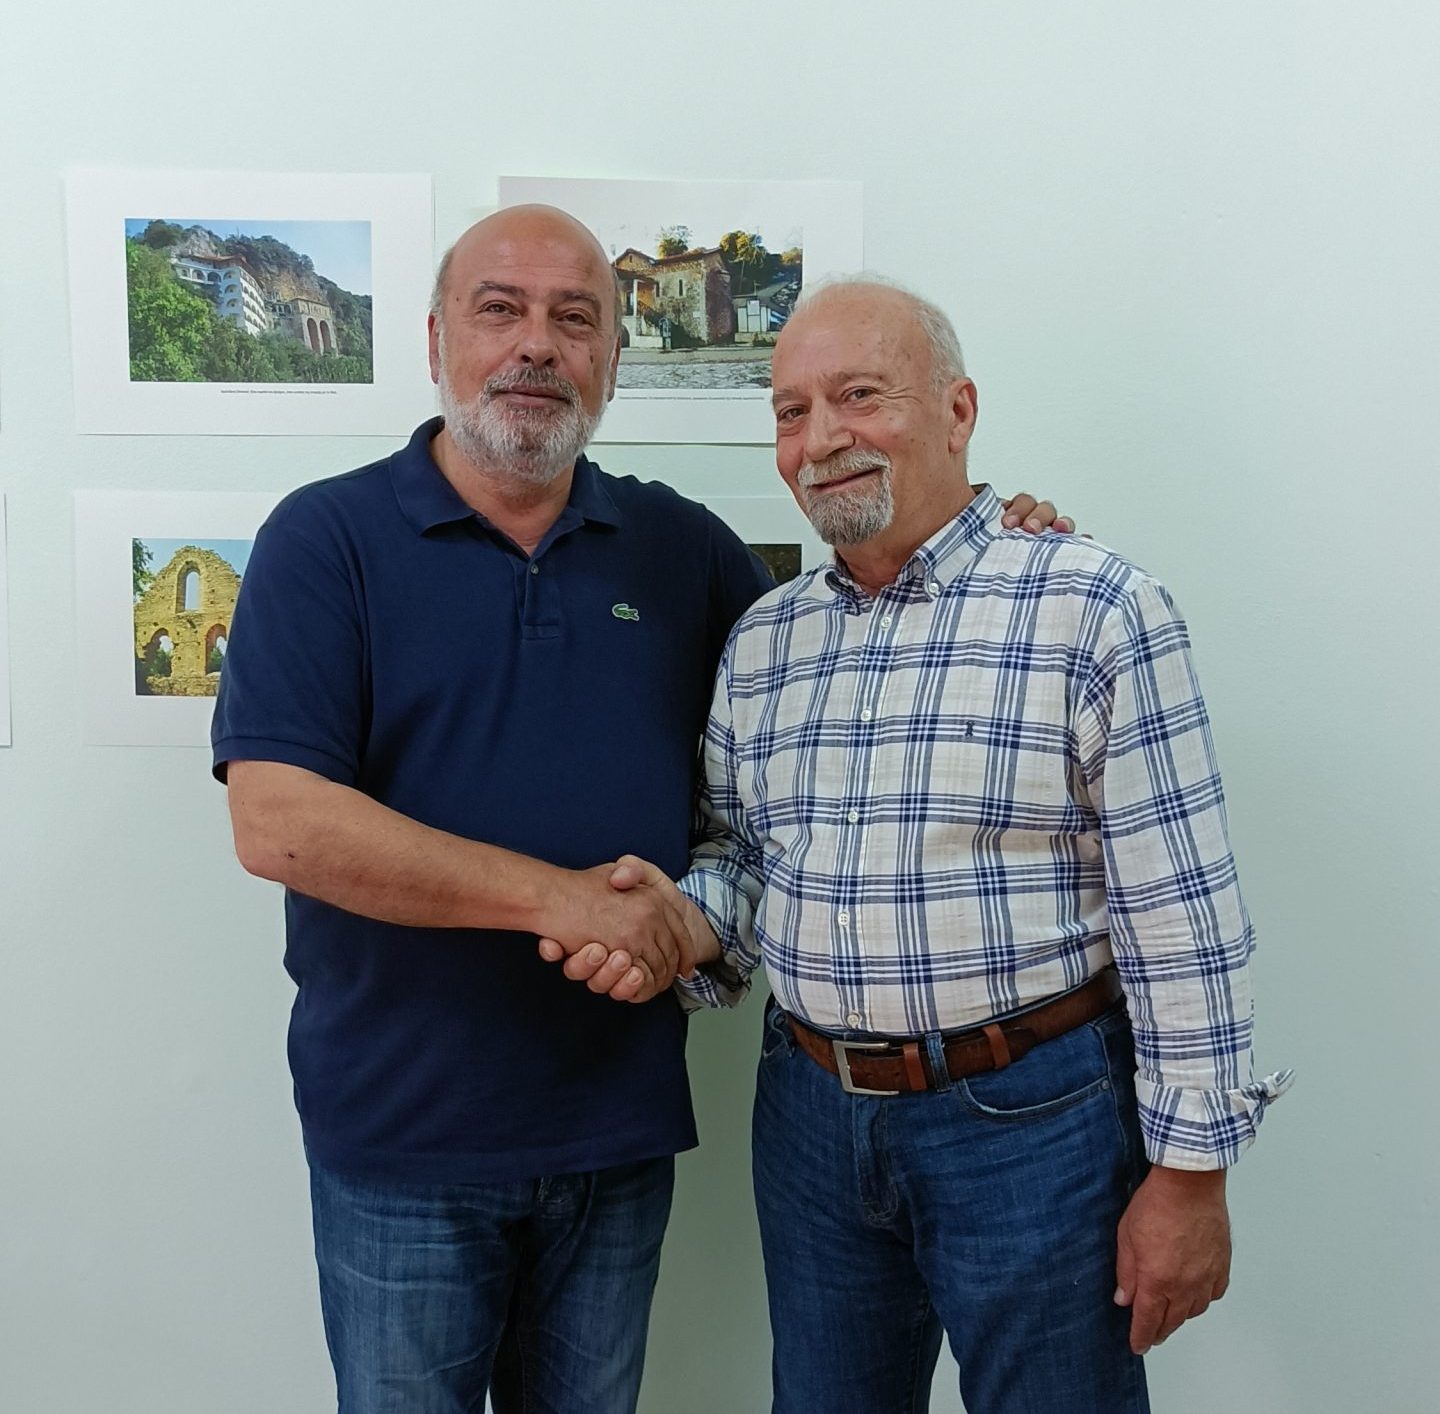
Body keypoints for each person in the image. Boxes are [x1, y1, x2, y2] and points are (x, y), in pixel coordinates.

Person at [212, 206, 1072, 1414]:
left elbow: (850, 646)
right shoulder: (325, 538)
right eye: (499, 310)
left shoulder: (680, 548)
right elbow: (281, 823)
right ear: (436, 340)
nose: (537, 344)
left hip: (612, 1132)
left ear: (613, 359)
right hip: (401, 1139)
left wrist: (994, 537)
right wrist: (558, 901)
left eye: (576, 318)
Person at [552, 275, 1292, 1413]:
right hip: (810, 1118)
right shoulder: (767, 637)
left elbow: (1180, 911)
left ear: (958, 410)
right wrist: (672, 923)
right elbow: (742, 856)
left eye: (860, 395)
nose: (821, 439)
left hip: (1034, 1121)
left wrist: (1192, 1176)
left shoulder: (1093, 609)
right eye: (792, 411)